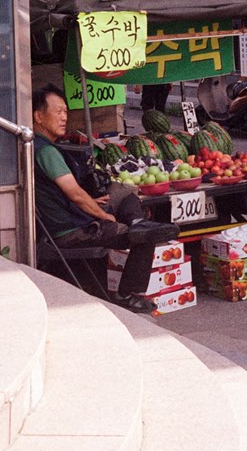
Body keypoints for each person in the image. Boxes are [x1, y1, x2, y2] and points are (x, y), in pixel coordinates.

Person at [32, 83, 178, 313]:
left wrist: (93, 202)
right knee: (146, 237)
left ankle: (138, 222)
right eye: (58, 111)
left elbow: (73, 195)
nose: (64, 117)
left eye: (65, 112)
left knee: (121, 191)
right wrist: (102, 215)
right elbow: (75, 194)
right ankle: (127, 295)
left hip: (70, 216)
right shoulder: (46, 152)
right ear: (38, 116)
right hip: (70, 232)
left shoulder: (41, 146)